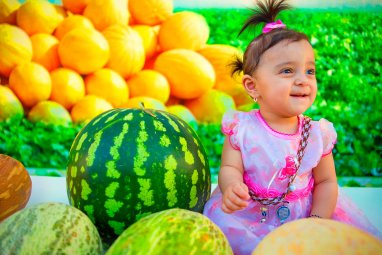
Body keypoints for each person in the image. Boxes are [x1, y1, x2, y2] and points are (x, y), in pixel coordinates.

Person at [202, 0, 381, 254]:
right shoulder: (241, 128)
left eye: (310, 71)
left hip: (305, 215)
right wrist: (231, 187)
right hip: (252, 217)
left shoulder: (317, 134)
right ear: (253, 86)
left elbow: (327, 182)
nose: (302, 81)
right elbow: (230, 167)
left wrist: (317, 221)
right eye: (287, 71)